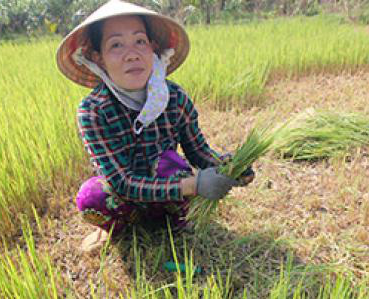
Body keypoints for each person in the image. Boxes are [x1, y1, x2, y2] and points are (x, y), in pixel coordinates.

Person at [56, 0, 253, 252]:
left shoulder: (175, 98)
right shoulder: (93, 111)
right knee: (92, 197)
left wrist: (230, 166)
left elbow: (198, 152)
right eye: (116, 45)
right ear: (99, 59)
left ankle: (171, 221)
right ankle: (115, 228)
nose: (132, 54)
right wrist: (193, 185)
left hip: (168, 185)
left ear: (153, 48)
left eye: (140, 41)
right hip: (125, 195)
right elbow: (121, 182)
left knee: (175, 165)